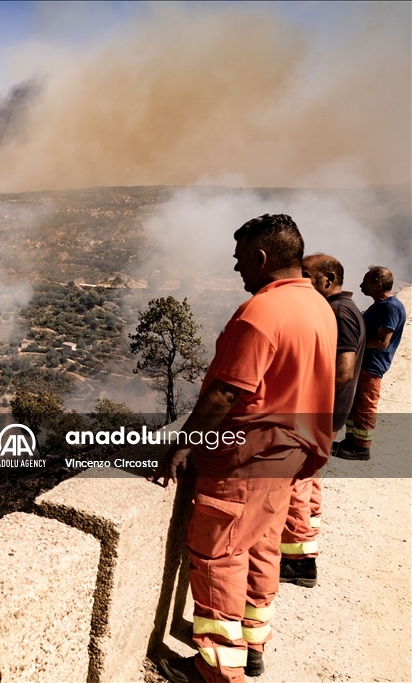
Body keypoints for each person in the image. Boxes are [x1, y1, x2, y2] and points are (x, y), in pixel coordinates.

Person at [152, 214, 336, 683]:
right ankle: (252, 645)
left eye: (240, 260)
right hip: (289, 454)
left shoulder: (259, 314)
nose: (236, 270)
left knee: (218, 554)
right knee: (261, 546)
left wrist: (183, 444)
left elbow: (224, 393)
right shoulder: (318, 306)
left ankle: (216, 668)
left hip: (244, 459)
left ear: (260, 257)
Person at [278, 254, 366, 588]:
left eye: (305, 275)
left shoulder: (338, 312)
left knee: (297, 483)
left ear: (327, 279)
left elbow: (342, 371)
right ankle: (306, 537)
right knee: (310, 480)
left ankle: (300, 563)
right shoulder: (345, 309)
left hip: (318, 415)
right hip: (328, 416)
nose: (299, 281)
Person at [335, 265, 406, 460]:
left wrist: (355, 344)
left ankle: (361, 448)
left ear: (378, 285)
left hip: (373, 365)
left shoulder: (390, 307)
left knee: (365, 405)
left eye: (365, 282)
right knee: (356, 403)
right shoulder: (381, 305)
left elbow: (383, 342)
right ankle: (351, 442)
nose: (361, 285)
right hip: (365, 363)